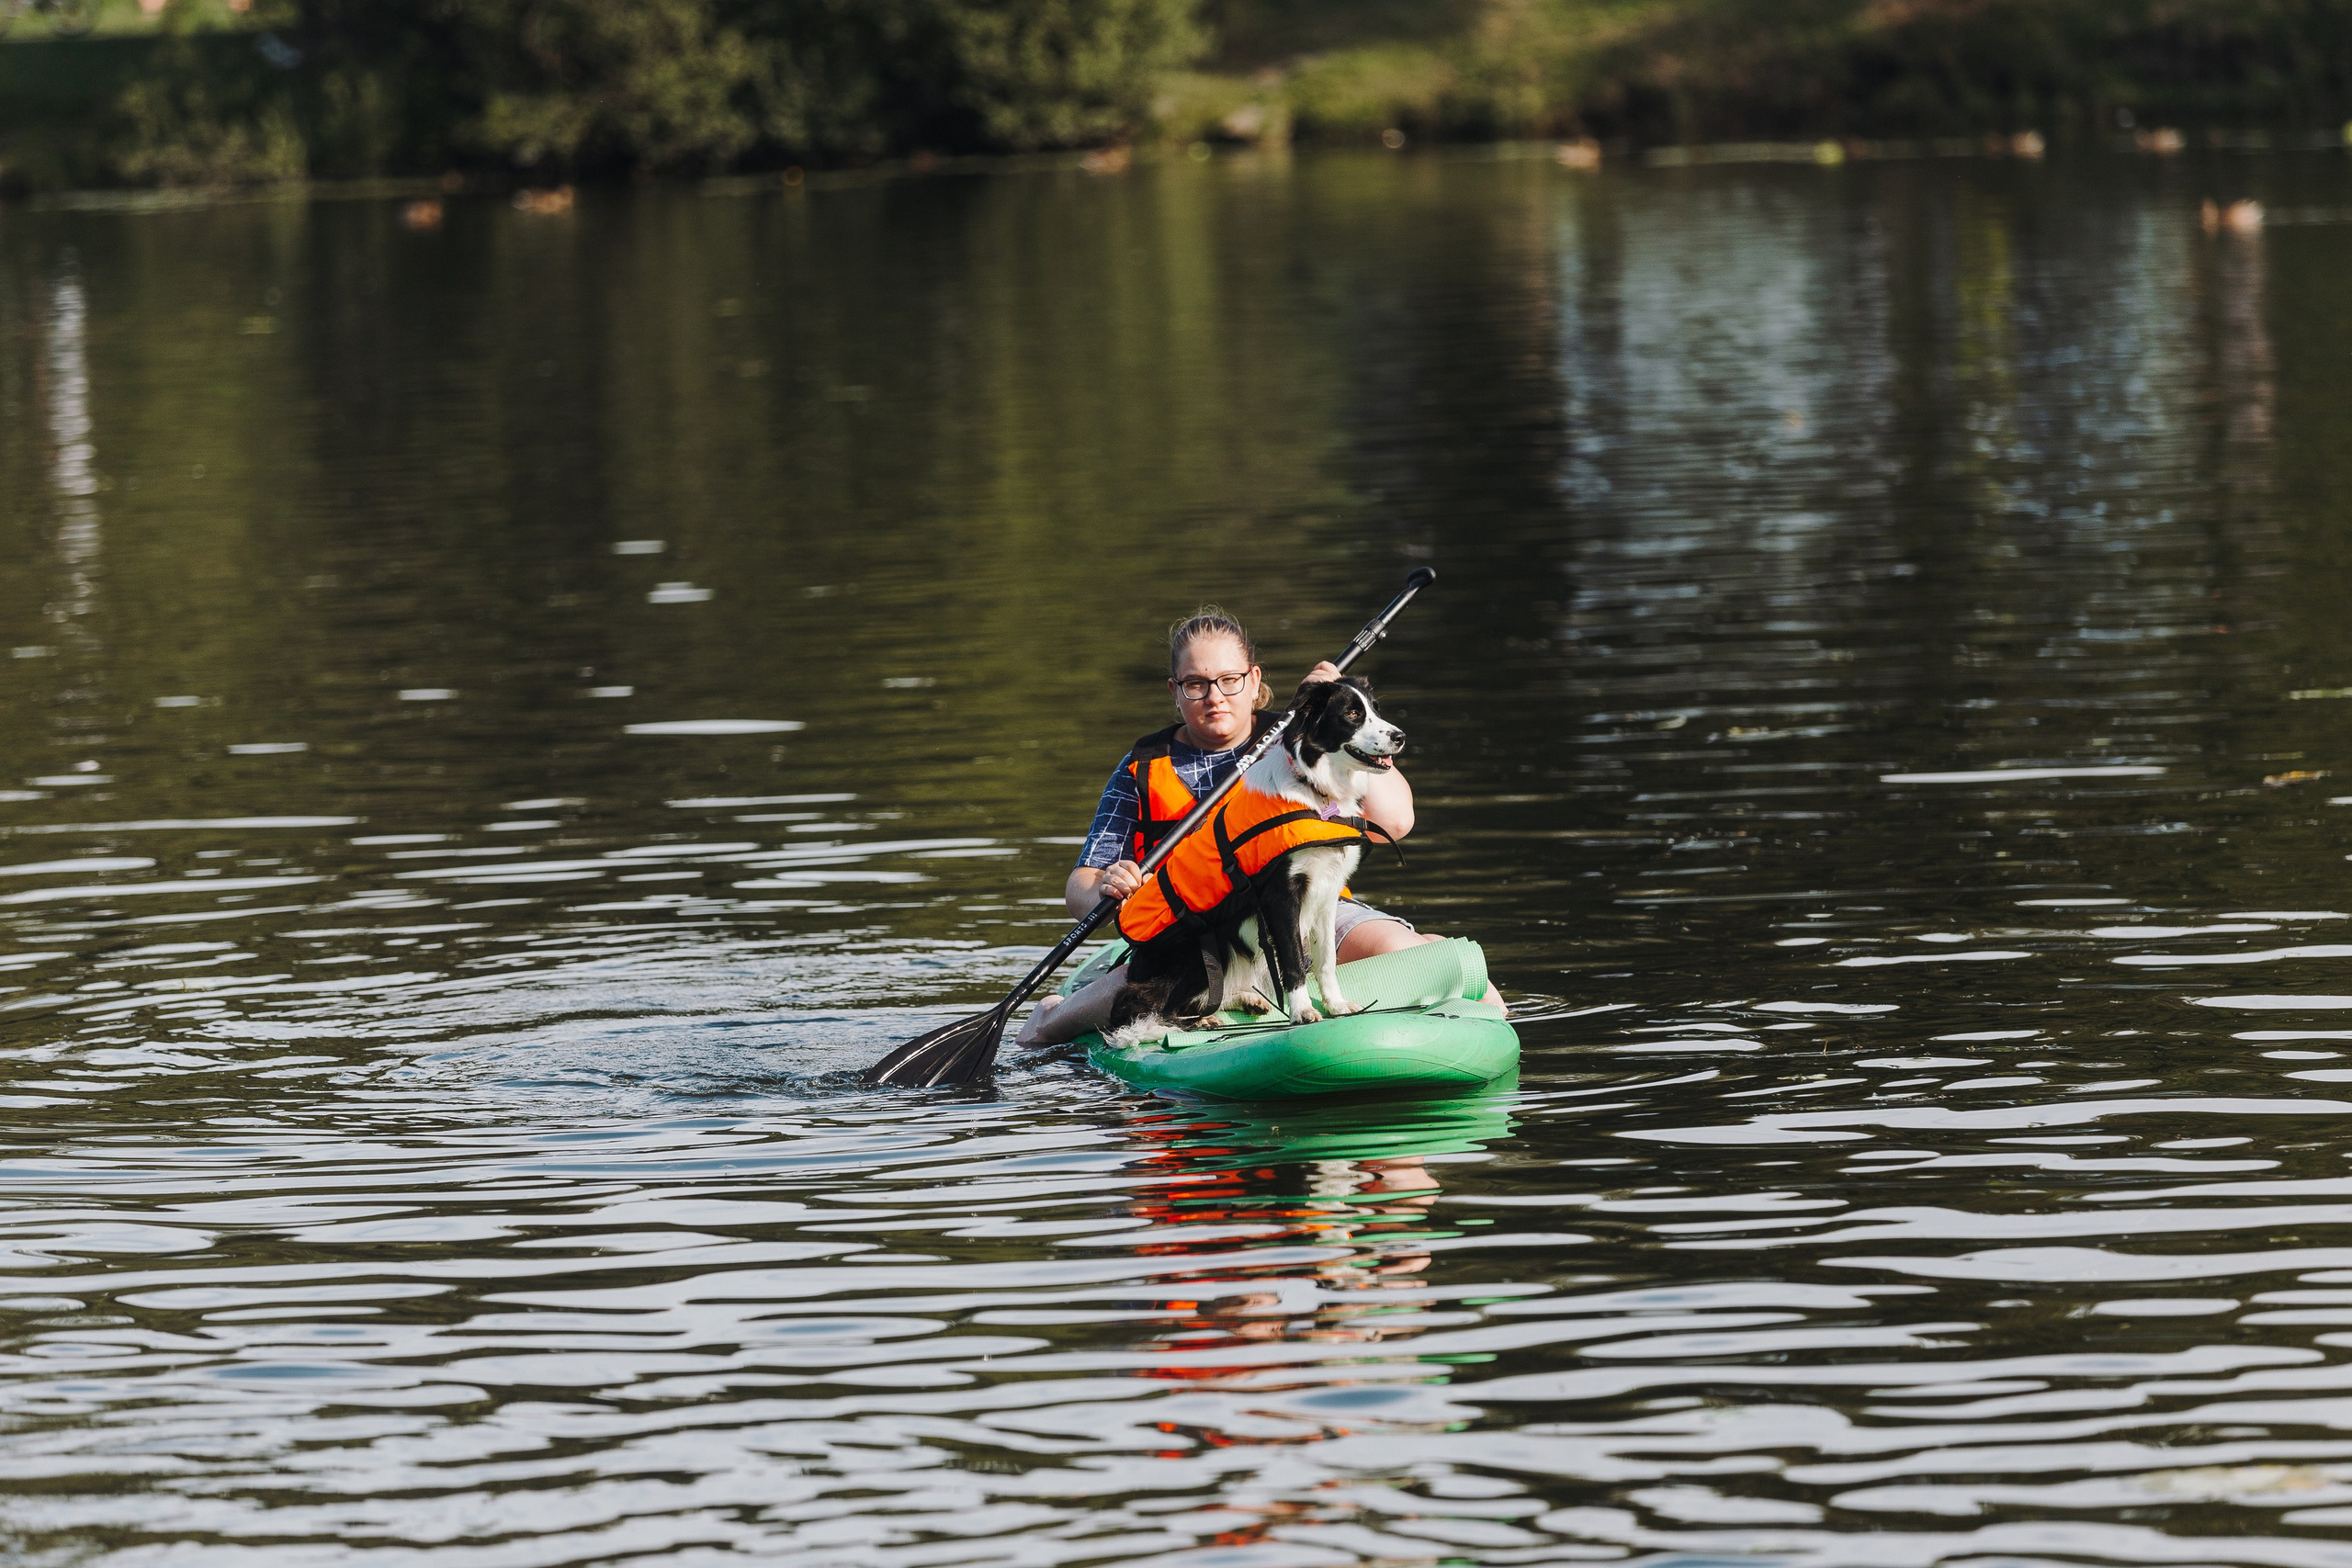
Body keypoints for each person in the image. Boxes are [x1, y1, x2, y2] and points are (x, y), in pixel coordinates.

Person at [1017, 608, 1439, 1047]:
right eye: (1196, 684)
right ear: (1175, 692)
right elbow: (1079, 889)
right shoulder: (1140, 768)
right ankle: (1049, 1018)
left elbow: (1395, 821)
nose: (1214, 697)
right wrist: (1109, 885)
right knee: (1142, 988)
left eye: (1230, 680)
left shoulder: (1305, 738)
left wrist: (1336, 711)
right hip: (1201, 933)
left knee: (1416, 949)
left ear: (1254, 681)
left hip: (1312, 909)